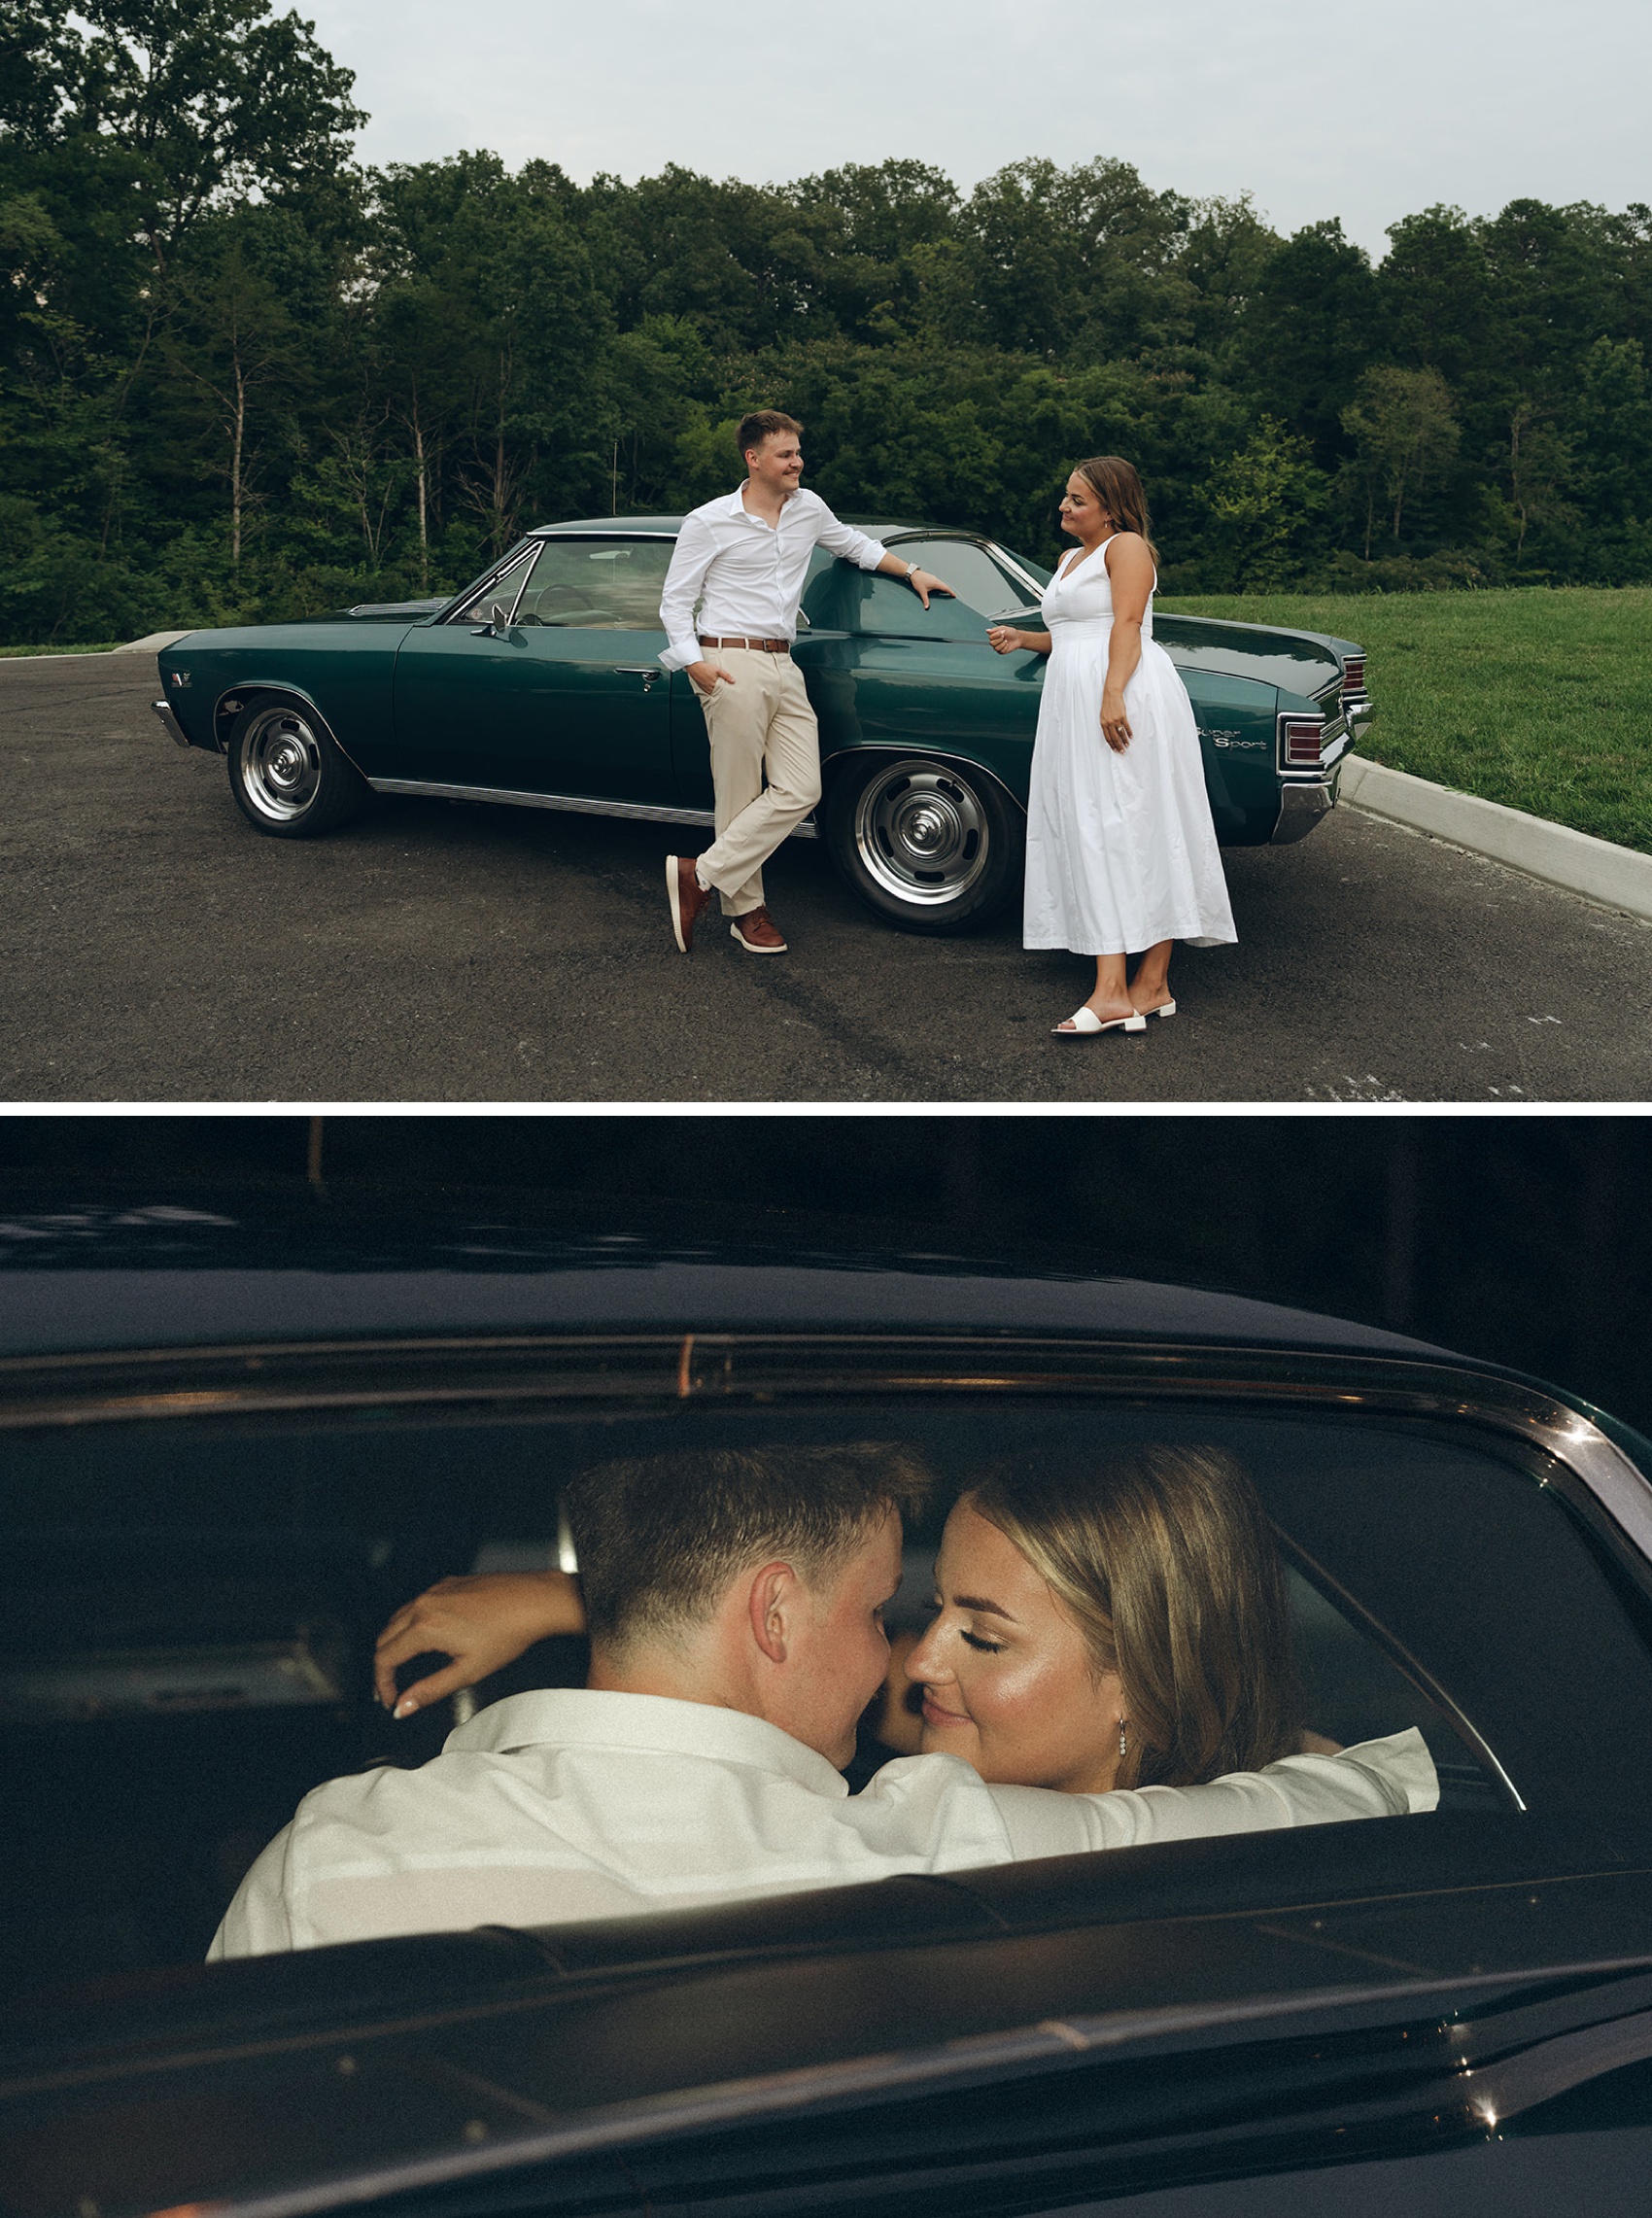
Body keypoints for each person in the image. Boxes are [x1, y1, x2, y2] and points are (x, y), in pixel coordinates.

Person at [210, 1446, 1435, 1958]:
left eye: (974, 1629)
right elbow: (1365, 1789)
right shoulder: (926, 1848)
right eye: (886, 1610)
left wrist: (591, 1599)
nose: (906, 1660)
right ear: (776, 1614)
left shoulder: (328, 1854)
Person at [659, 411, 955, 957]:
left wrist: (911, 571)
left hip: (784, 662)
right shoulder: (709, 521)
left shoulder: (809, 507)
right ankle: (745, 912)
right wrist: (693, 663)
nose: (798, 462)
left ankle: (699, 874)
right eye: (785, 455)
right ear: (753, 459)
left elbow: (855, 545)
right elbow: (675, 601)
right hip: (728, 660)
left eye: (797, 452)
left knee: (802, 788)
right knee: (738, 792)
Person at [987, 457, 1236, 1037]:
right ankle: (1150, 987)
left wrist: (1113, 693)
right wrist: (1025, 638)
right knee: (1096, 827)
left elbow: (1127, 625)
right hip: (1073, 704)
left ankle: (1116, 993)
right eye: (1066, 495)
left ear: (1110, 507)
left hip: (1124, 696)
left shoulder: (1127, 548)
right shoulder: (1068, 559)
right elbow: (1076, 633)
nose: (1064, 506)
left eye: (1077, 499)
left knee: (1128, 826)